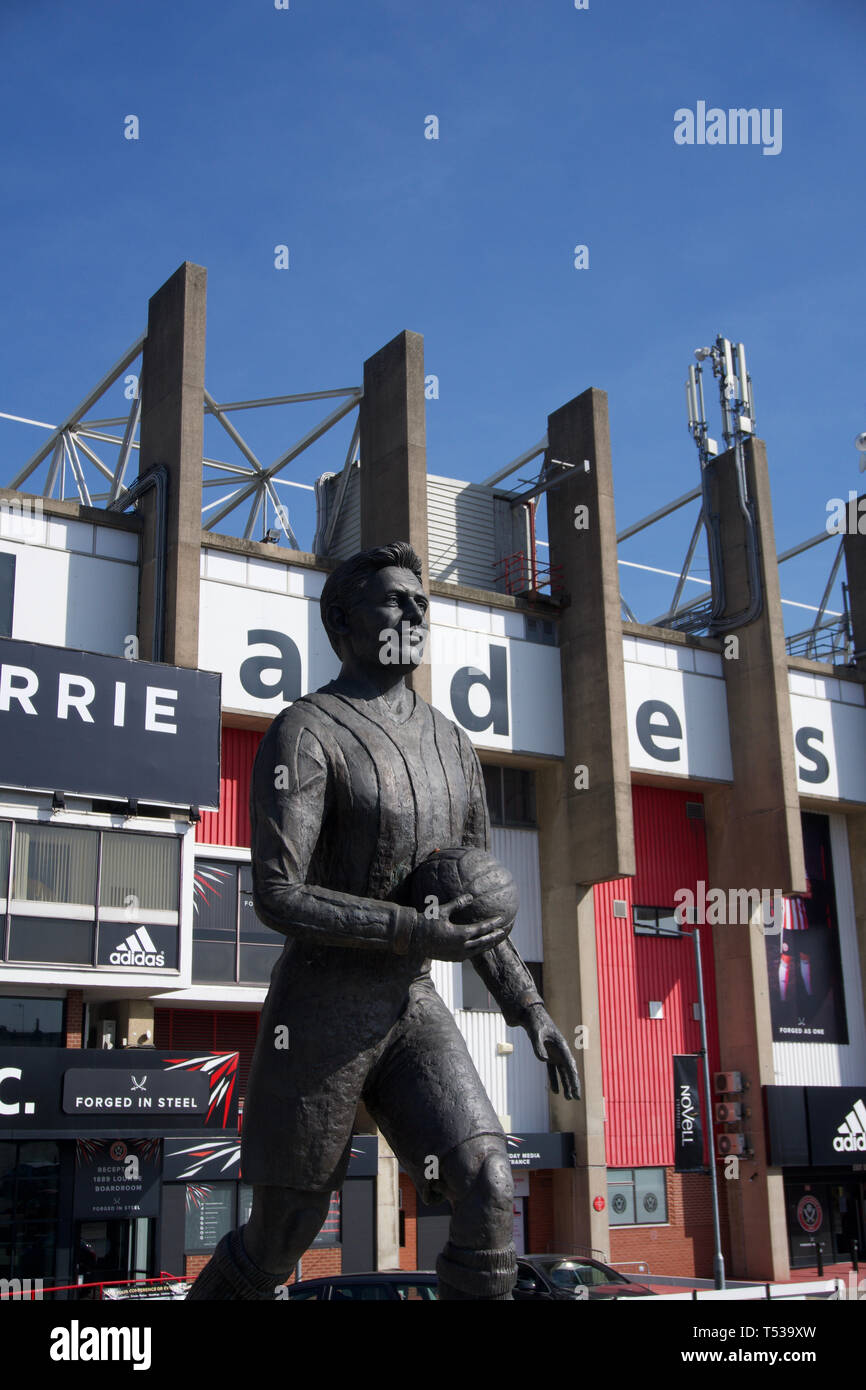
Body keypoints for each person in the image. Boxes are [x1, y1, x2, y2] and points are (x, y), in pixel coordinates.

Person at [187, 541, 580, 1301]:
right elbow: (277, 892)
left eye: (422, 603)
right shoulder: (306, 730)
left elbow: (476, 912)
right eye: (395, 600)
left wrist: (528, 1006)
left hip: (411, 1004)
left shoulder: (454, 746)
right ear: (342, 622)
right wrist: (410, 931)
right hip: (321, 1007)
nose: (415, 612)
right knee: (283, 1234)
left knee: (491, 1183)